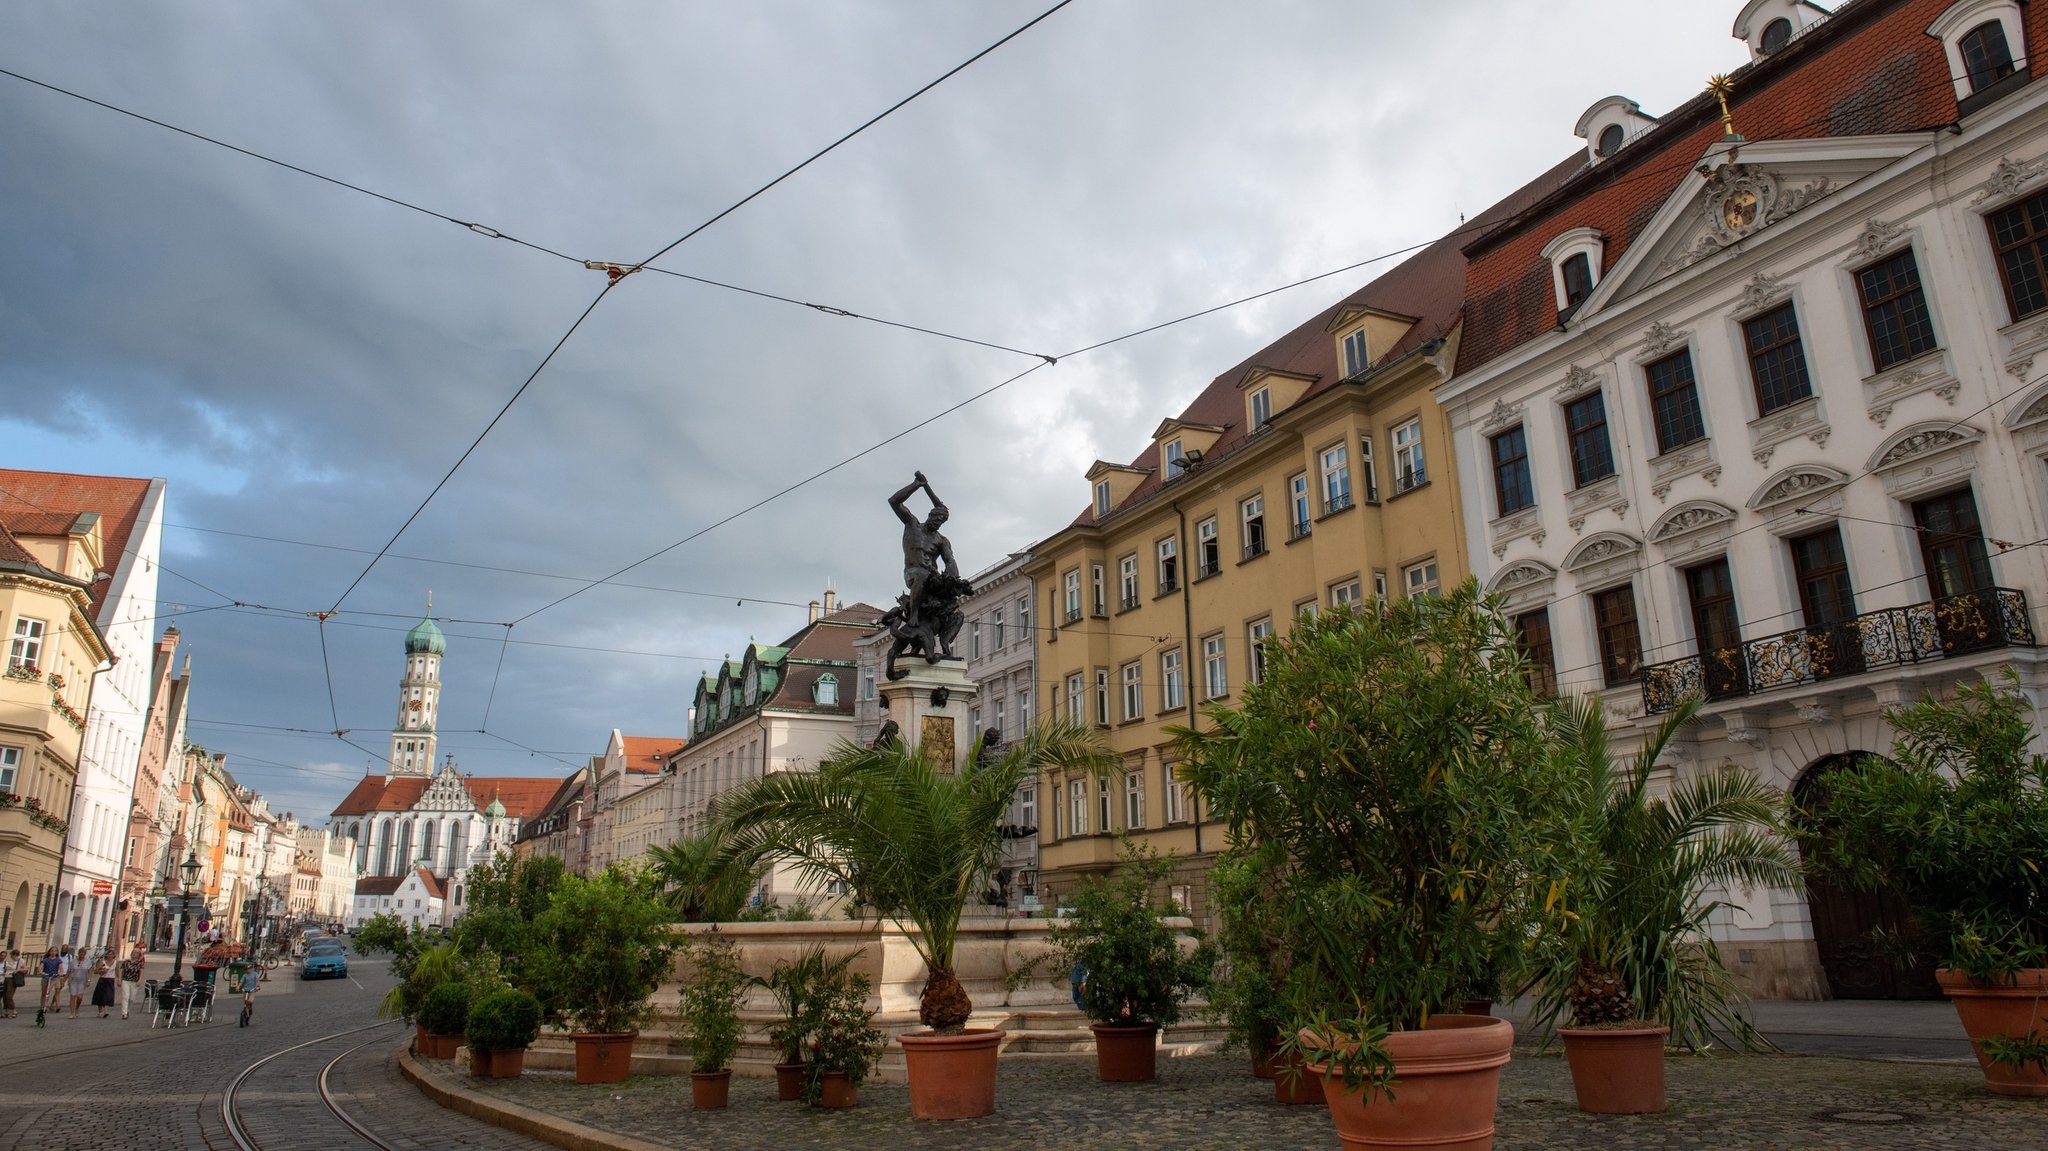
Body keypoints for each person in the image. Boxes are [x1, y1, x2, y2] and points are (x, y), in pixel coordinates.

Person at [117, 947, 145, 1020]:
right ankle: (124, 1013)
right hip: (125, 980)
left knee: (132, 998)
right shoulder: (126, 962)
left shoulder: (139, 963)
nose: (134, 954)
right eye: (133, 952)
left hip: (134, 981)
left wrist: (140, 980)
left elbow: (141, 972)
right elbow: (121, 971)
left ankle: (128, 1010)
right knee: (125, 996)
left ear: (138, 955)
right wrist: (119, 980)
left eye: (136, 953)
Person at [65, 948, 91, 1018]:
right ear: (79, 953)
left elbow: (89, 972)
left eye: (83, 953)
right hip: (73, 980)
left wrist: (88, 980)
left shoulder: (88, 961)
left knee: (79, 997)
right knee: (73, 996)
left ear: (85, 954)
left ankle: (77, 1008)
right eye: (81, 953)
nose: (82, 955)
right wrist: (64, 980)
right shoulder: (73, 961)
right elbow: (69, 971)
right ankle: (72, 1013)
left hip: (82, 981)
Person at [237, 963, 260, 1027]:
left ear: (251, 969)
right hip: (245, 990)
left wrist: (258, 986)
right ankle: (246, 1015)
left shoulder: (255, 974)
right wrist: (238, 987)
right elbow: (241, 982)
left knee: (250, 1001)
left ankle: (249, 1012)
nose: (248, 970)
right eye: (246, 969)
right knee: (245, 1003)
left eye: (249, 969)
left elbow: (257, 981)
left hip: (252, 990)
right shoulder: (244, 975)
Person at [37, 948, 61, 1012]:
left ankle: (48, 1005)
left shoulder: (58, 960)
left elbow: (61, 969)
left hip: (53, 977)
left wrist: (59, 973)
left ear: (57, 952)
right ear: (49, 952)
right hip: (46, 977)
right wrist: (41, 972)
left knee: (48, 990)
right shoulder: (45, 960)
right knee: (44, 992)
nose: (53, 952)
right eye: (52, 951)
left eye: (55, 951)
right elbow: (40, 968)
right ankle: (42, 1006)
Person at [0, 949, 17, 1019]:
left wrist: (7, 972)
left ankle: (3, 1013)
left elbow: (12, 969)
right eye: (2, 955)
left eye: (5, 956)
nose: (3, 957)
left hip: (2, 981)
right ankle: (3, 1013)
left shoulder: (5, 963)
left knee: (2, 998)